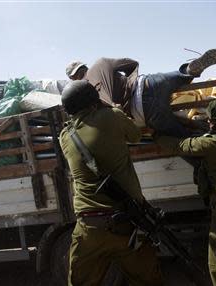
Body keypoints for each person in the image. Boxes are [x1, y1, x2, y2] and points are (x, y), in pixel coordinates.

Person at [58, 80, 163, 286]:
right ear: (93, 101)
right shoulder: (112, 117)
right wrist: (111, 108)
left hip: (90, 228)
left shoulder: (65, 137)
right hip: (128, 222)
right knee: (147, 280)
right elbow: (135, 135)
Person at [155, 99, 216, 286]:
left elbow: (182, 146)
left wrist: (156, 137)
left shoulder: (212, 144)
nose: (208, 123)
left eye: (211, 120)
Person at [65, 49, 216, 138]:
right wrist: (130, 80)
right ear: (84, 66)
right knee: (178, 76)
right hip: (149, 83)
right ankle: (189, 70)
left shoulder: (82, 96)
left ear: (73, 78)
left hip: (143, 111)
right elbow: (132, 63)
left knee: (181, 136)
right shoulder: (101, 63)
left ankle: (203, 136)